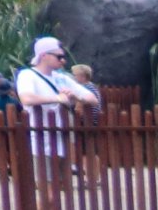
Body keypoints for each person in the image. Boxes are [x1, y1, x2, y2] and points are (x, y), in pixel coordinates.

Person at [14, 36, 102, 180]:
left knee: (62, 189)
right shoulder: (27, 75)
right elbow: (26, 98)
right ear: (44, 55)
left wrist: (75, 96)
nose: (63, 60)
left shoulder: (62, 78)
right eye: (59, 56)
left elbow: (92, 99)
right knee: (47, 192)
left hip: (63, 139)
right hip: (42, 140)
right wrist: (57, 98)